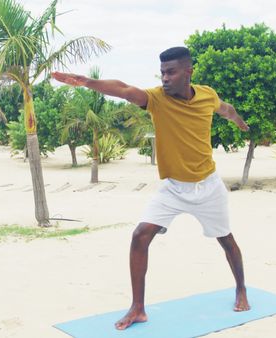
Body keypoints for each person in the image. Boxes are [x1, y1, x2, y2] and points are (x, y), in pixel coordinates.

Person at [52, 46, 250, 331]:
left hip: (208, 186)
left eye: (171, 72)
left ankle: (241, 289)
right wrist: (87, 82)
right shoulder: (156, 99)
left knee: (226, 240)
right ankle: (138, 308)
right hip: (173, 189)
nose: (165, 78)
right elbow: (124, 89)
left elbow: (226, 110)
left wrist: (239, 121)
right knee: (140, 235)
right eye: (162, 73)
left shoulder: (207, 95)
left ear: (188, 72)